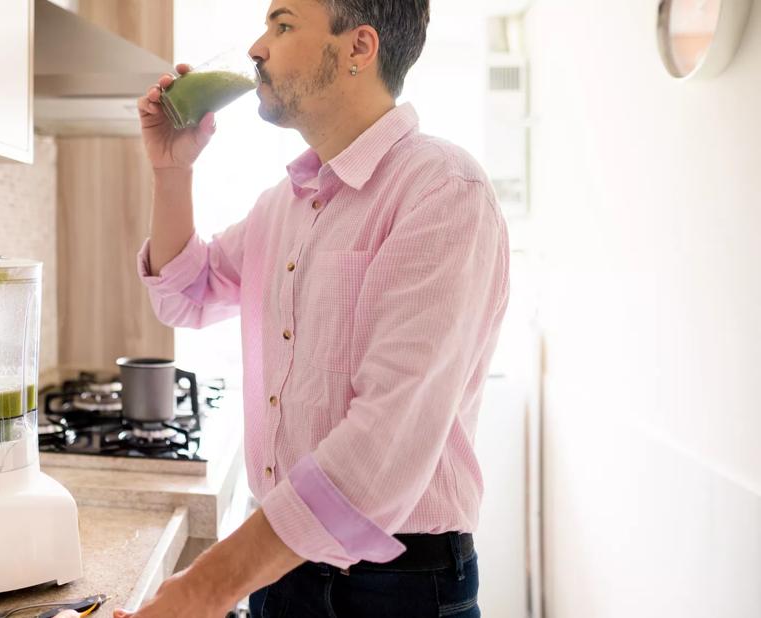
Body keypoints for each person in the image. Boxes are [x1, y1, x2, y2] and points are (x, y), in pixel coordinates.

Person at [117, 1, 509, 616]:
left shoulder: (440, 191)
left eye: (283, 25)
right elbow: (184, 296)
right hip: (281, 572)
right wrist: (172, 172)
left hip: (396, 588)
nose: (256, 47)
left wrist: (204, 586)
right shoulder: (286, 205)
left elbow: (379, 451)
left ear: (358, 48)